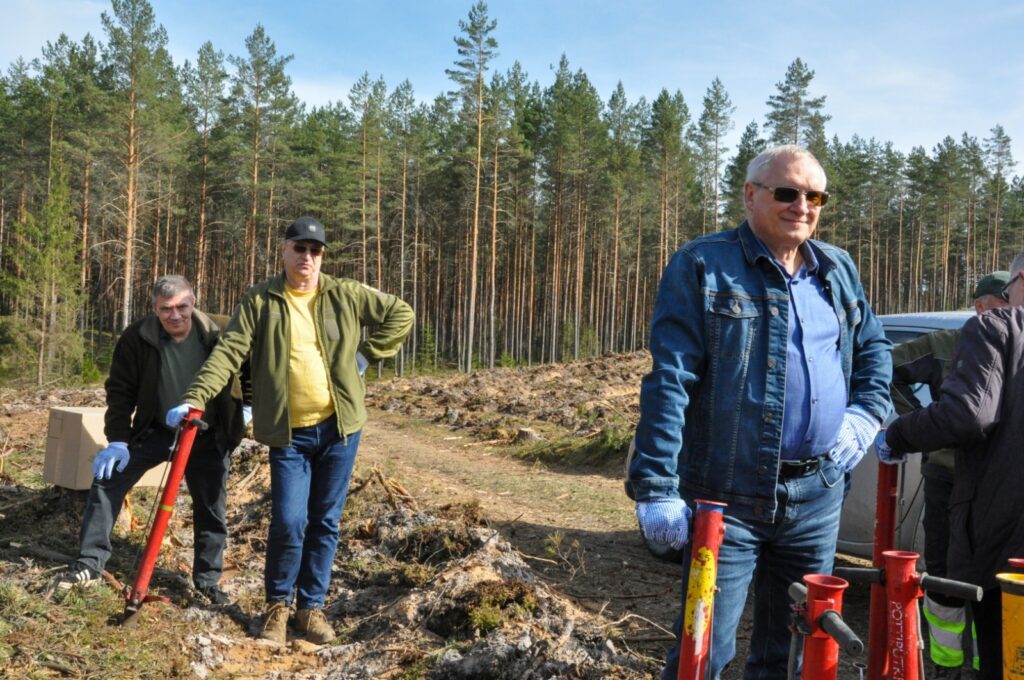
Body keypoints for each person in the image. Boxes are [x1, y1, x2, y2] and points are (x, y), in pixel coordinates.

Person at [626, 145, 892, 679]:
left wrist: (866, 412)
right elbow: (671, 379)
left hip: (817, 496)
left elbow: (874, 350)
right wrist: (656, 487)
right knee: (703, 654)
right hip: (726, 498)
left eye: (814, 195)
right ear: (750, 195)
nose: (803, 206)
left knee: (793, 653)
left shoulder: (837, 268)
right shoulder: (704, 264)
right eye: (788, 192)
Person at [166, 216, 413, 645]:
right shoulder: (261, 301)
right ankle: (277, 608)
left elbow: (400, 312)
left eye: (315, 251)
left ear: (322, 257)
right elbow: (229, 352)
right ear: (284, 250)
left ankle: (310, 610)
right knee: (288, 521)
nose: (307, 257)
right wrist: (196, 396)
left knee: (326, 522)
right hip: (288, 434)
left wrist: (367, 355)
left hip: (339, 430)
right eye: (300, 248)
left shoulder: (345, 294)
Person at [50, 275, 249, 605]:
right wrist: (118, 441)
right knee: (108, 480)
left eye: (182, 307)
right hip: (158, 429)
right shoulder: (138, 337)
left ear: (193, 303)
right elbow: (121, 391)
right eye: (166, 309)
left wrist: (248, 408)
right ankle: (90, 564)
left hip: (208, 434)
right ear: (154, 308)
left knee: (211, 505)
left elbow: (251, 365)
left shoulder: (219, 330)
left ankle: (207, 581)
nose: (175, 316)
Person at [878, 253, 1024, 680]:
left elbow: (968, 415)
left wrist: (900, 432)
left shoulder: (995, 331)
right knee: (944, 581)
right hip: (949, 478)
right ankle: (948, 667)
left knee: (980, 608)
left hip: (993, 517)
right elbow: (884, 372)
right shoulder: (939, 341)